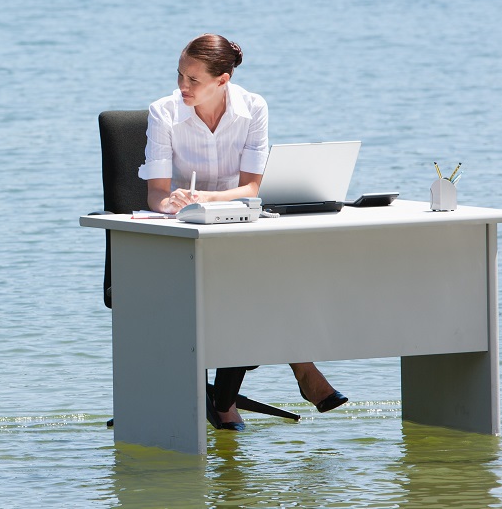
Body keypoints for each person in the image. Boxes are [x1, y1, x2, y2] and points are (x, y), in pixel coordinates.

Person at [137, 34, 348, 431]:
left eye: (194, 80)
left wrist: (207, 198)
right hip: (184, 241)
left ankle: (224, 399)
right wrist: (176, 203)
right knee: (259, 284)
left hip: (238, 233)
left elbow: (253, 188)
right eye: (180, 75)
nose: (183, 86)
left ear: (223, 80)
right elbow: (156, 195)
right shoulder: (163, 112)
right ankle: (293, 371)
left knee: (266, 276)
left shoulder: (253, 108)